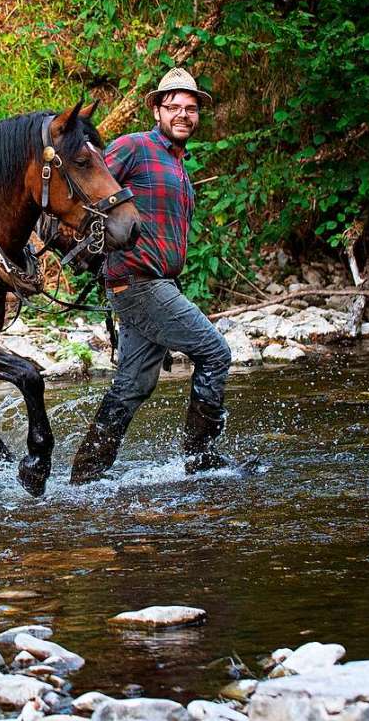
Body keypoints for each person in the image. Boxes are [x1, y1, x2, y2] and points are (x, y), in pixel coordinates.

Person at [70, 67, 234, 484]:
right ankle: (202, 462)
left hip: (156, 284)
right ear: (157, 110)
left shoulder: (178, 164)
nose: (183, 114)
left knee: (133, 385)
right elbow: (85, 187)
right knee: (215, 353)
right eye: (174, 106)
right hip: (138, 281)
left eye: (191, 108)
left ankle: (85, 477)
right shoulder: (135, 148)